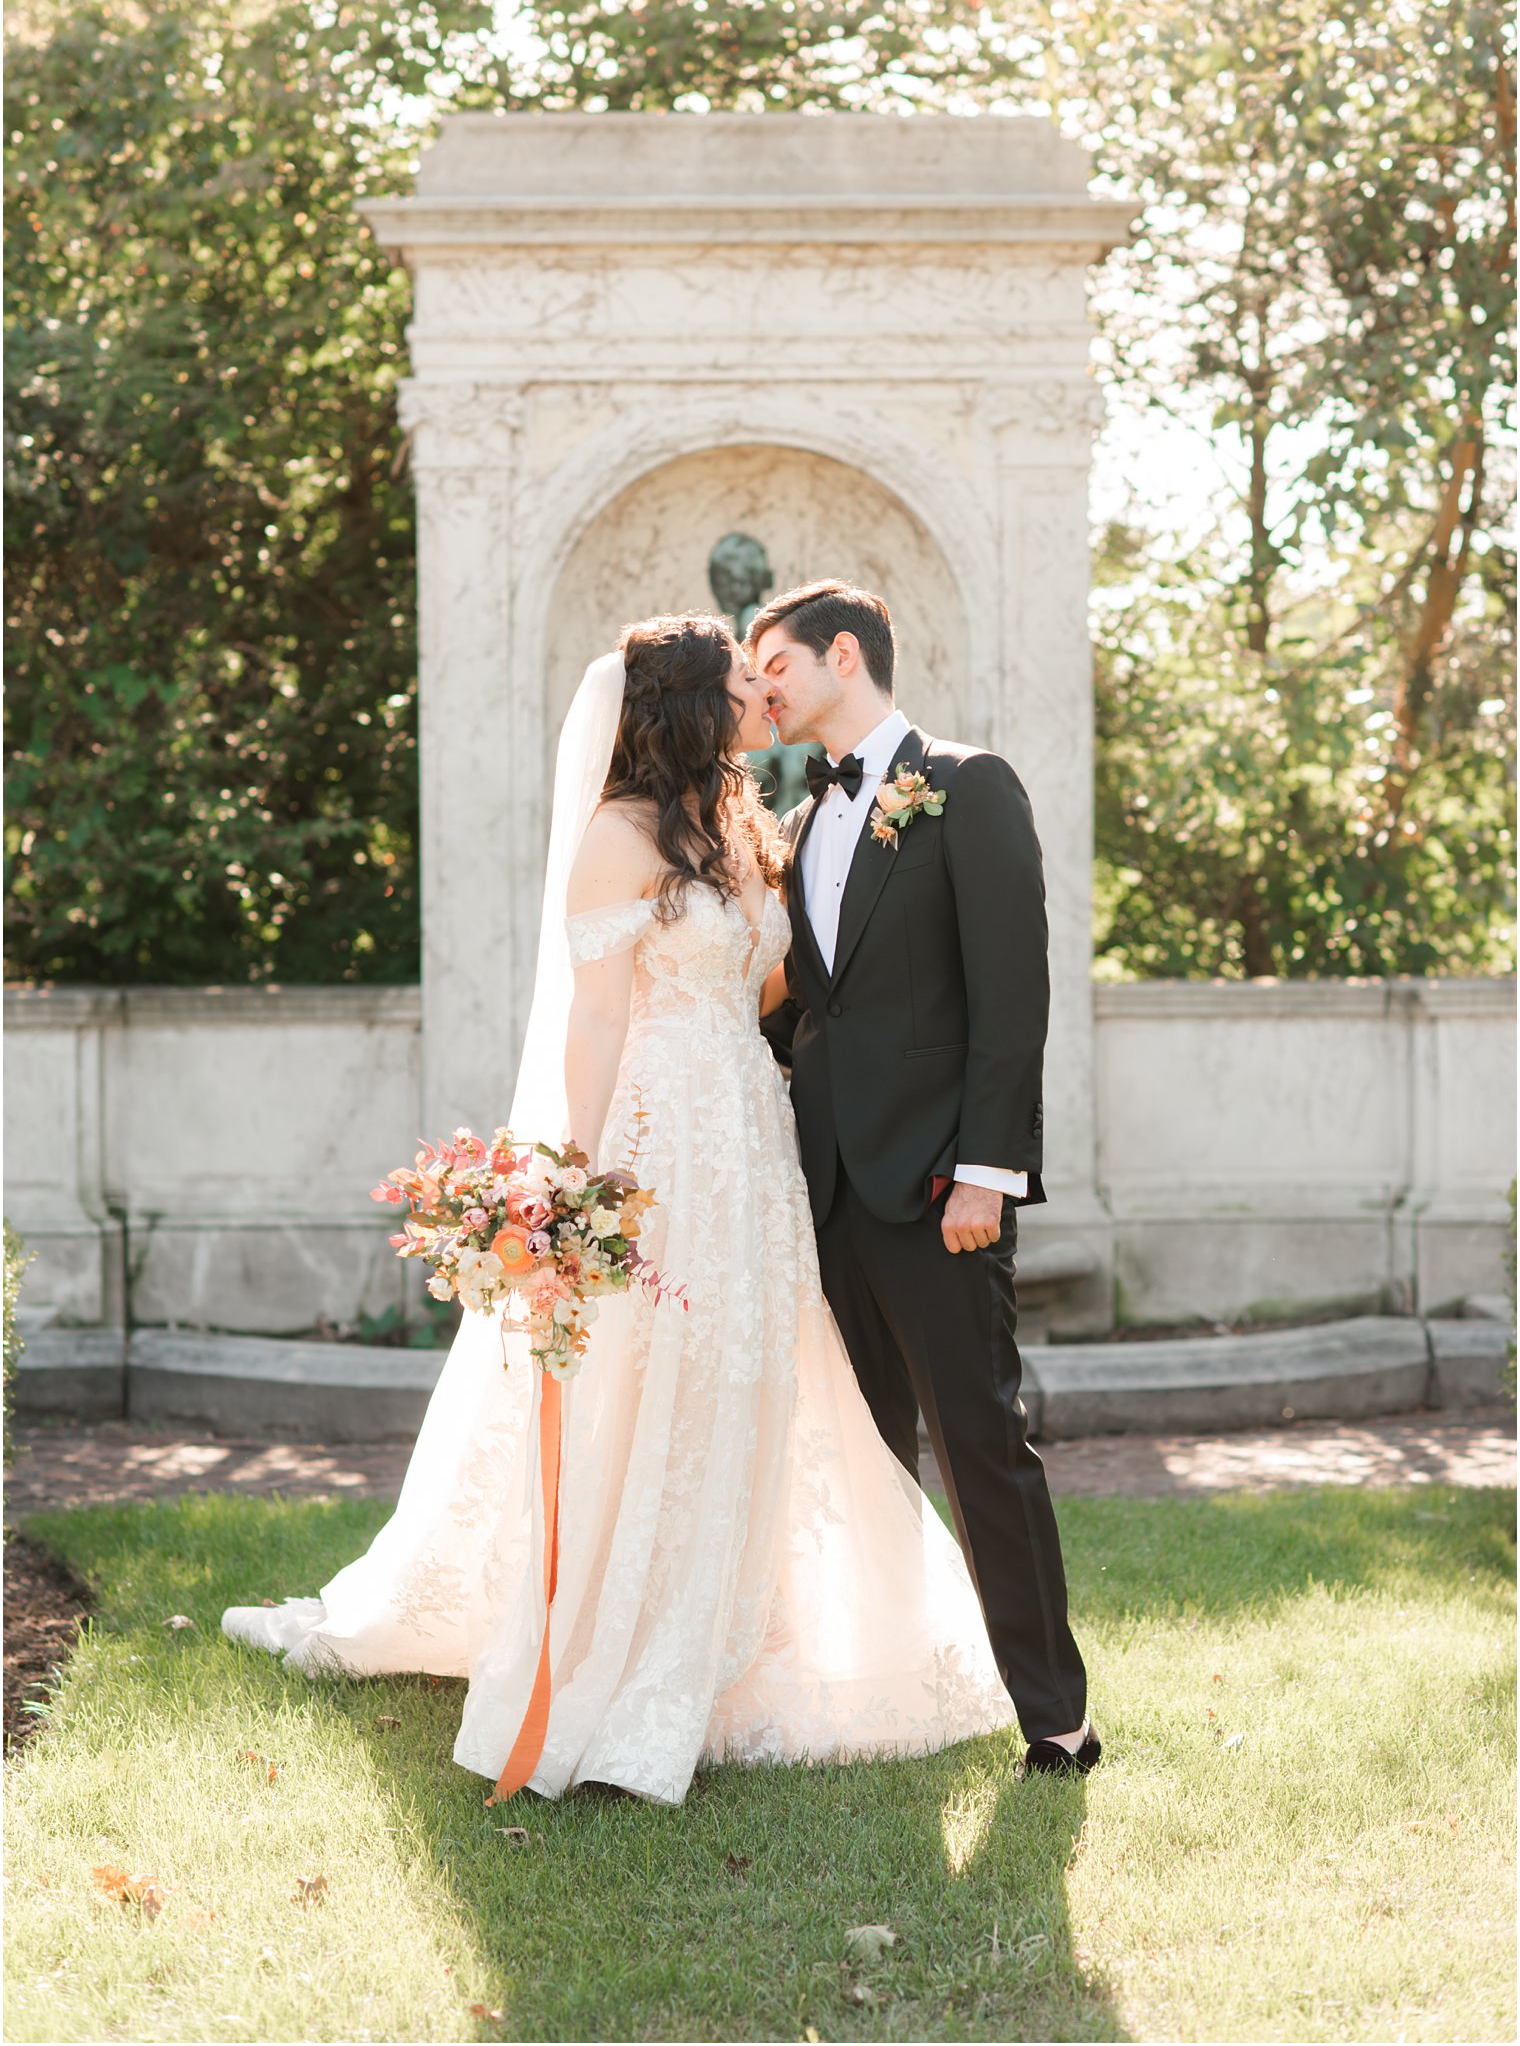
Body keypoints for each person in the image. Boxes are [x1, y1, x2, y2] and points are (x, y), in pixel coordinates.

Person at [223, 614, 1020, 1805]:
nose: (763, 695)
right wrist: (566, 1179)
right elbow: (594, 1021)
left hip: (751, 1137)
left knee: (751, 1371)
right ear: (692, 705)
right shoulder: (618, 833)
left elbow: (778, 982)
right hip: (659, 1142)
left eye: (771, 675)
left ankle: (743, 1627)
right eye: (743, 682)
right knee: (650, 1375)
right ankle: (629, 1638)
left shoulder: (742, 826)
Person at [749, 579, 1099, 1777]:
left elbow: (1013, 999)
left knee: (980, 1446)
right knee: (863, 1454)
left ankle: (1057, 1718)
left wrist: (986, 1175)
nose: (764, 687)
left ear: (843, 654)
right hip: (827, 1189)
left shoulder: (968, 786)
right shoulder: (799, 825)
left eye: (776, 664)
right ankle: (897, 1693)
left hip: (941, 1188)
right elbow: (808, 1012)